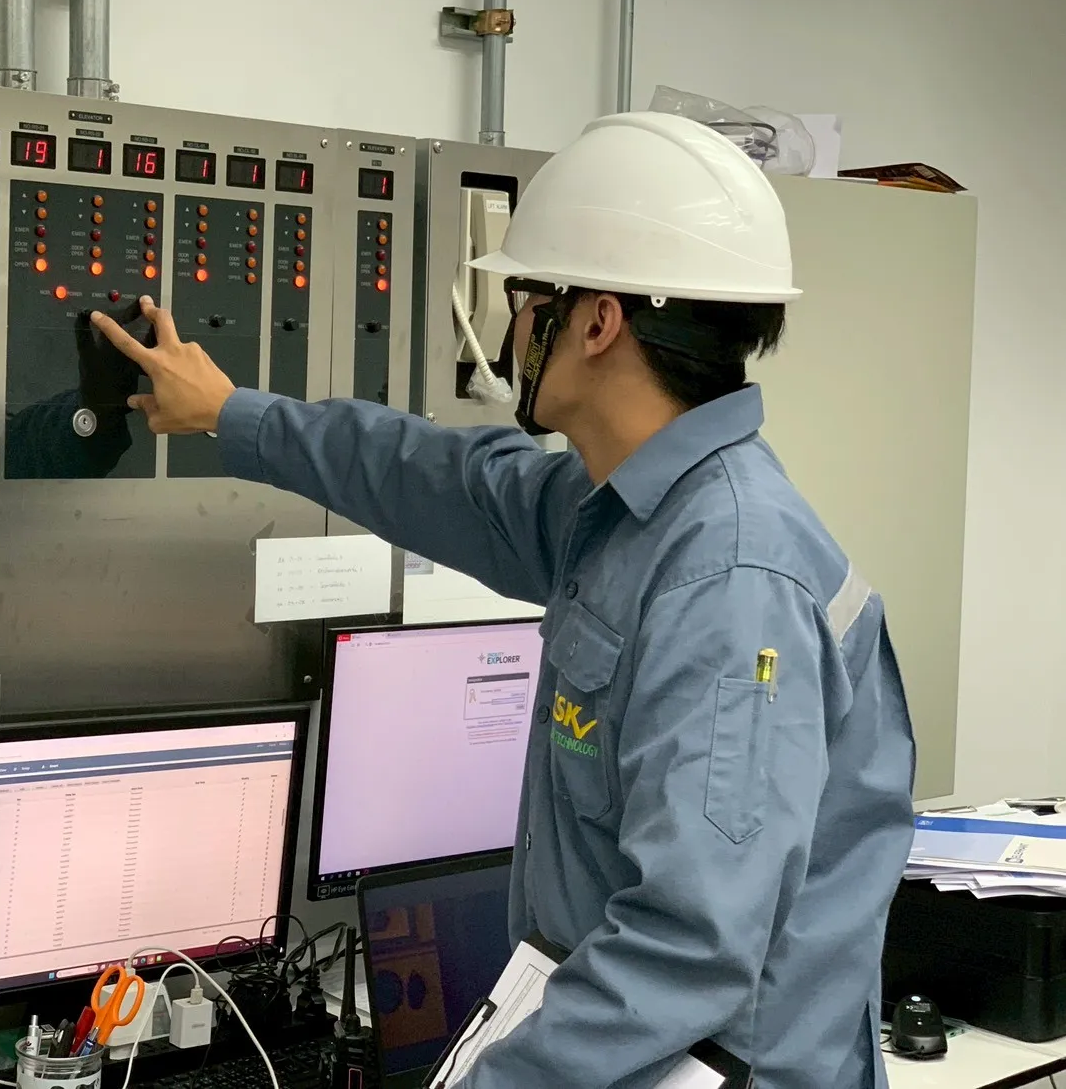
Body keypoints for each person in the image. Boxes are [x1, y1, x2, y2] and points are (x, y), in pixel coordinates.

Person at [92, 112, 916, 1088]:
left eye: (528, 299)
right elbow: (444, 480)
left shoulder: (727, 580)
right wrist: (235, 416)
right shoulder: (624, 514)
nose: (511, 328)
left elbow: (687, 949)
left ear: (596, 322)